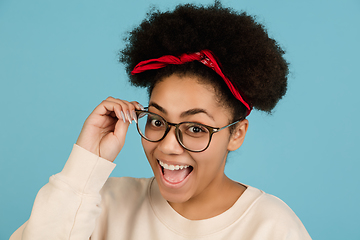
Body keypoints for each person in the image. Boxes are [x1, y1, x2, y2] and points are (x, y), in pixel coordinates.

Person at [10, 2, 312, 239]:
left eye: (195, 128)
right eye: (156, 120)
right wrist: (86, 164)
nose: (167, 146)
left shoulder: (272, 227)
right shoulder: (101, 203)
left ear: (237, 133)